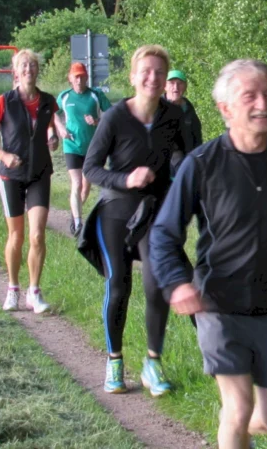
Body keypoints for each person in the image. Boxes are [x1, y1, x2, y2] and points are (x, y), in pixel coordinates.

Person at [151, 59, 267, 449]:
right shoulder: (202, 164)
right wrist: (177, 284)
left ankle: (231, 428)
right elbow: (164, 233)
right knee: (239, 408)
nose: (264, 103)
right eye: (250, 96)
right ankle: (233, 425)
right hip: (218, 303)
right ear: (226, 109)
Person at [80, 46, 185, 395]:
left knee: (157, 283)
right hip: (115, 210)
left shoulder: (173, 115)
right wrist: (125, 180)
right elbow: (91, 168)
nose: (153, 78)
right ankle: (114, 361)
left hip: (154, 211)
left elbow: (186, 158)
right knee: (119, 285)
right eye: (146, 71)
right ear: (133, 76)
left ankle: (152, 364)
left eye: (159, 72)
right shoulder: (114, 117)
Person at [0, 50, 60, 314]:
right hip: (11, 176)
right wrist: (3, 155)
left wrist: (53, 138)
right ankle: (13, 288)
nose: (29, 69)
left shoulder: (48, 101)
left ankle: (34, 291)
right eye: (24, 65)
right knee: (17, 235)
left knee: (37, 235)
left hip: (39, 174)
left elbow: (48, 127)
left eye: (33, 65)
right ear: (15, 71)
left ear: (38, 70)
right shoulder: (4, 102)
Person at [58, 62, 111, 236]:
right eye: (76, 76)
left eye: (82, 76)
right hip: (71, 146)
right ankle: (78, 222)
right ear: (70, 78)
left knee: (85, 187)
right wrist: (60, 128)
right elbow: (51, 112)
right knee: (77, 183)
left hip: (91, 147)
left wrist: (96, 121)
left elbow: (111, 116)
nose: (79, 79)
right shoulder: (65, 97)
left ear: (87, 77)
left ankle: (75, 214)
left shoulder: (95, 95)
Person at [163, 69, 203, 153]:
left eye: (180, 83)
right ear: (164, 86)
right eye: (172, 83)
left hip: (188, 161)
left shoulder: (188, 109)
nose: (176, 87)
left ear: (185, 87)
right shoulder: (156, 108)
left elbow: (197, 139)